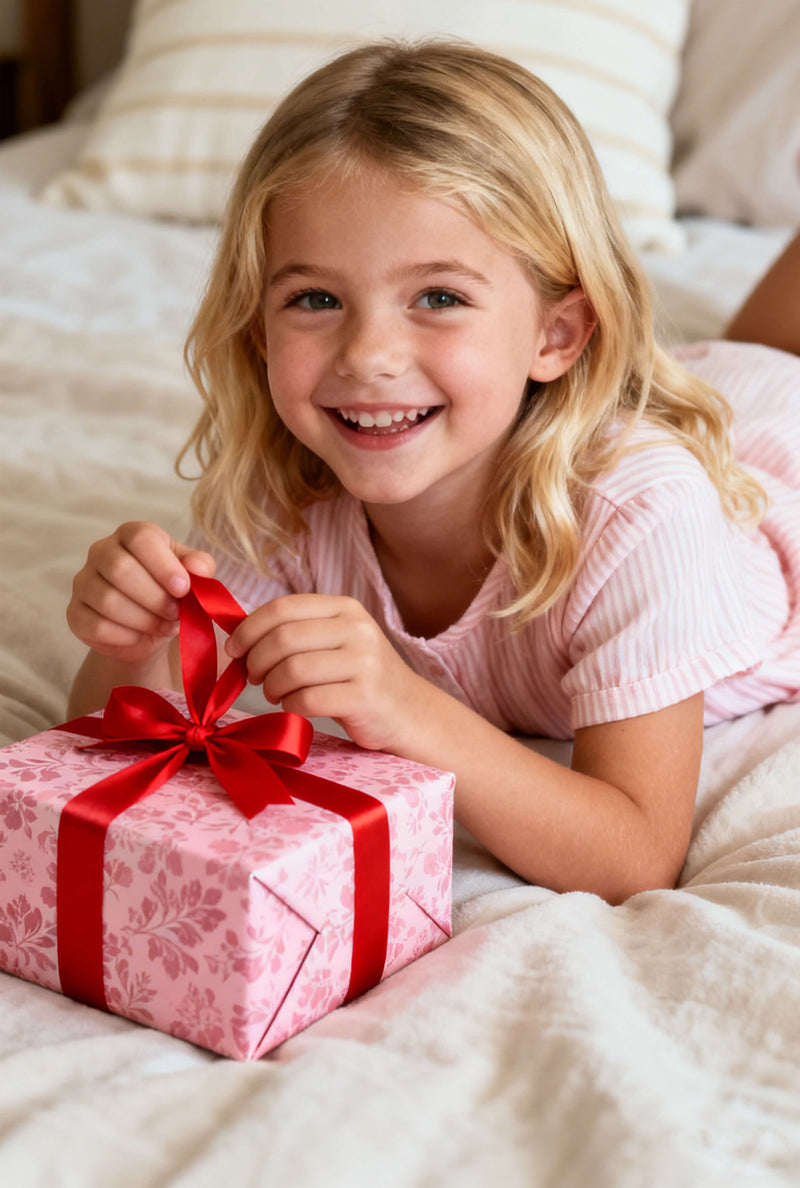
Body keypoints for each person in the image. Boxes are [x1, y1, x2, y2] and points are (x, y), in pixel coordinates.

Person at [66, 40, 800, 903]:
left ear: (557, 335)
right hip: (659, 404)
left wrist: (405, 710)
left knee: (768, 355)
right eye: (315, 299)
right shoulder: (282, 496)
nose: (369, 355)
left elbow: (634, 855)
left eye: (439, 298)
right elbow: (98, 738)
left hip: (763, 455)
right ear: (259, 328)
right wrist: (134, 645)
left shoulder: (641, 514)